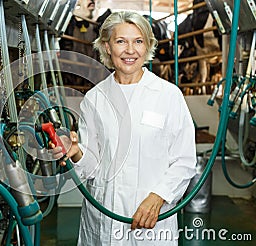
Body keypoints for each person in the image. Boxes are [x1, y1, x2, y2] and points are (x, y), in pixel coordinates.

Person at [52, 11, 197, 245]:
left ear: (148, 46)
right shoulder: (95, 98)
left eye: (138, 41)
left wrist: (158, 197)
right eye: (121, 41)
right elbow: (91, 166)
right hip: (103, 221)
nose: (130, 50)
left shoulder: (169, 96)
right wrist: (77, 152)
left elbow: (185, 160)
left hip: (151, 222)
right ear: (107, 47)